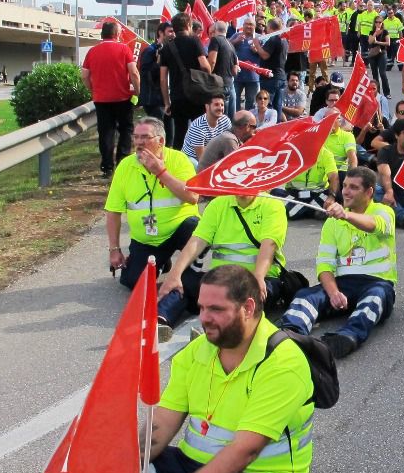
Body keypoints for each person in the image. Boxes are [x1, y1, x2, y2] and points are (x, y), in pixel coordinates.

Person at [147, 265, 314, 473]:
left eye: (215, 309)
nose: (204, 318)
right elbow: (164, 420)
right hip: (193, 466)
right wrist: (131, 462)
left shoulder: (283, 363)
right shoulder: (196, 351)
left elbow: (245, 451)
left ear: (248, 308)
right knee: (122, 464)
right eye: (202, 308)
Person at [279, 167, 396, 359]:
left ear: (369, 192)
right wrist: (333, 293)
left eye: (354, 187)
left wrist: (346, 215)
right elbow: (325, 265)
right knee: (305, 296)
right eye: (344, 186)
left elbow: (375, 225)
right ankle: (289, 336)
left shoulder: (384, 212)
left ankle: (347, 337)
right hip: (343, 284)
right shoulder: (332, 222)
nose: (346, 192)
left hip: (377, 282)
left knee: (376, 297)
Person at [155, 193, 290, 335]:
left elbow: (269, 244)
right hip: (221, 278)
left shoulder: (273, 205)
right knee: (184, 281)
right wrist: (175, 274)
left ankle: (215, 330)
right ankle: (160, 321)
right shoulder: (218, 204)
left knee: (244, 297)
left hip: (258, 278)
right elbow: (198, 240)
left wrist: (258, 276)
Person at [105, 117, 200, 290]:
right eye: (136, 137)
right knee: (133, 282)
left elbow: (193, 197)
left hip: (179, 229)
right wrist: (114, 249)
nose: (139, 142)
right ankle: (162, 262)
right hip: (147, 237)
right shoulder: (125, 166)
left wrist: (161, 172)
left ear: (161, 141)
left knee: (197, 229)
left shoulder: (179, 159)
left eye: (145, 137)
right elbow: (113, 211)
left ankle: (189, 270)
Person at [81, 20, 139, 178]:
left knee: (106, 132)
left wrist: (93, 89)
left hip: (101, 99)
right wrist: (138, 91)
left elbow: (84, 75)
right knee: (126, 129)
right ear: (117, 33)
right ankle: (123, 161)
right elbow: (133, 73)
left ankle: (107, 166)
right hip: (122, 97)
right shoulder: (124, 49)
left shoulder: (92, 51)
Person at [160, 13, 213, 152]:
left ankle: (178, 164)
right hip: (197, 94)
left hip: (177, 95)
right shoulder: (194, 41)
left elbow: (163, 78)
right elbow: (205, 66)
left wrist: (166, 102)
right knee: (201, 130)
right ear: (188, 25)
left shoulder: (167, 48)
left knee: (180, 133)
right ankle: (202, 163)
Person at [271, 145, 339, 220]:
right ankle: (312, 210)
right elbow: (276, 172)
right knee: (274, 192)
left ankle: (296, 210)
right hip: (294, 195)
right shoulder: (292, 152)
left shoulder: (326, 154)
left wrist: (332, 196)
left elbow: (334, 177)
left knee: (335, 194)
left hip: (317, 195)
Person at [139, 22, 175, 145]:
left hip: (167, 99)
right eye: (170, 31)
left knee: (170, 136)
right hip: (155, 100)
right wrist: (159, 62)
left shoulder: (169, 50)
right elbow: (147, 75)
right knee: (158, 135)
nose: (173, 35)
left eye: (174, 31)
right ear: (160, 33)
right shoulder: (150, 51)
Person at [182, 95, 233, 166]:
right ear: (207, 106)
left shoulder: (225, 120)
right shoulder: (197, 126)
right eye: (216, 105)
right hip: (193, 157)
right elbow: (201, 158)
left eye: (222, 105)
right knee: (198, 167)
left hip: (213, 152)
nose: (220, 108)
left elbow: (229, 142)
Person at [253, 19, 288, 119]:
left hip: (270, 77)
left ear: (270, 28)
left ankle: (267, 126)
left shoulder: (273, 39)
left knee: (267, 104)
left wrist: (257, 45)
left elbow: (265, 55)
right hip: (280, 75)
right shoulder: (284, 39)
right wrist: (258, 50)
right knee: (278, 105)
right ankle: (276, 127)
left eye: (267, 27)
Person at [207, 21, 239, 120]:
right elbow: (235, 70)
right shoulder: (230, 44)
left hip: (219, 85)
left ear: (215, 30)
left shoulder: (215, 40)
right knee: (230, 119)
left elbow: (212, 61)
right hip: (230, 85)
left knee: (220, 119)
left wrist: (207, 77)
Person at [230, 19, 261, 111]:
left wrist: (257, 50)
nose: (248, 26)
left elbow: (265, 55)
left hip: (253, 76)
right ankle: (235, 121)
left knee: (251, 103)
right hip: (237, 75)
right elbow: (226, 46)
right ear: (242, 26)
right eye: (246, 24)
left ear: (254, 27)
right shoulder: (236, 35)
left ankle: (248, 123)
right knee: (234, 101)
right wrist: (236, 41)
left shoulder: (259, 38)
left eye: (251, 24)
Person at [324, 116, 358, 181]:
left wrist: (353, 177)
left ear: (339, 122)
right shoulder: (320, 134)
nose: (329, 122)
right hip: (322, 170)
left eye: (333, 119)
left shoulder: (347, 136)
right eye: (327, 118)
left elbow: (352, 157)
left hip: (340, 171)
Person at [366, 15, 391, 98]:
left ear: (382, 23)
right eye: (376, 22)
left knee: (382, 73)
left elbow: (388, 43)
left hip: (382, 53)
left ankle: (387, 93)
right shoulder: (371, 31)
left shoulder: (385, 32)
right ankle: (377, 93)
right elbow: (369, 42)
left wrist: (378, 42)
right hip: (373, 55)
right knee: (375, 74)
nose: (378, 24)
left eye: (379, 22)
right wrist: (375, 33)